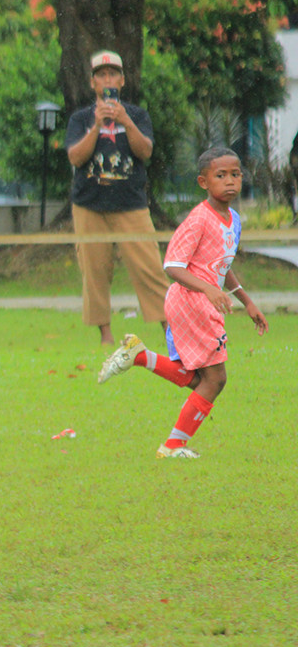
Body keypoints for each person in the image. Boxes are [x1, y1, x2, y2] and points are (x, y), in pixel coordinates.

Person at [97, 147, 268, 458]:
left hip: (202, 302)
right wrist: (209, 290)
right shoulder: (198, 219)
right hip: (192, 302)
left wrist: (246, 301)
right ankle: (173, 446)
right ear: (203, 182)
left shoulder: (233, 219)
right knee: (215, 379)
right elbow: (172, 266)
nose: (230, 181)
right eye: (220, 175)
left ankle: (140, 356)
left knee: (202, 379)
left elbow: (223, 264)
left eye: (235, 174)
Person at [65, 49, 169, 345]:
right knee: (95, 270)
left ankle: (170, 331)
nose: (107, 80)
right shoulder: (81, 118)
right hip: (89, 205)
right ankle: (105, 336)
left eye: (113, 74)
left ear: (122, 81)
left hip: (131, 204)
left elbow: (145, 151)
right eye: (101, 75)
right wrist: (97, 127)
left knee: (149, 268)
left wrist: (125, 121)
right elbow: (75, 157)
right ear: (93, 83)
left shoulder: (137, 115)